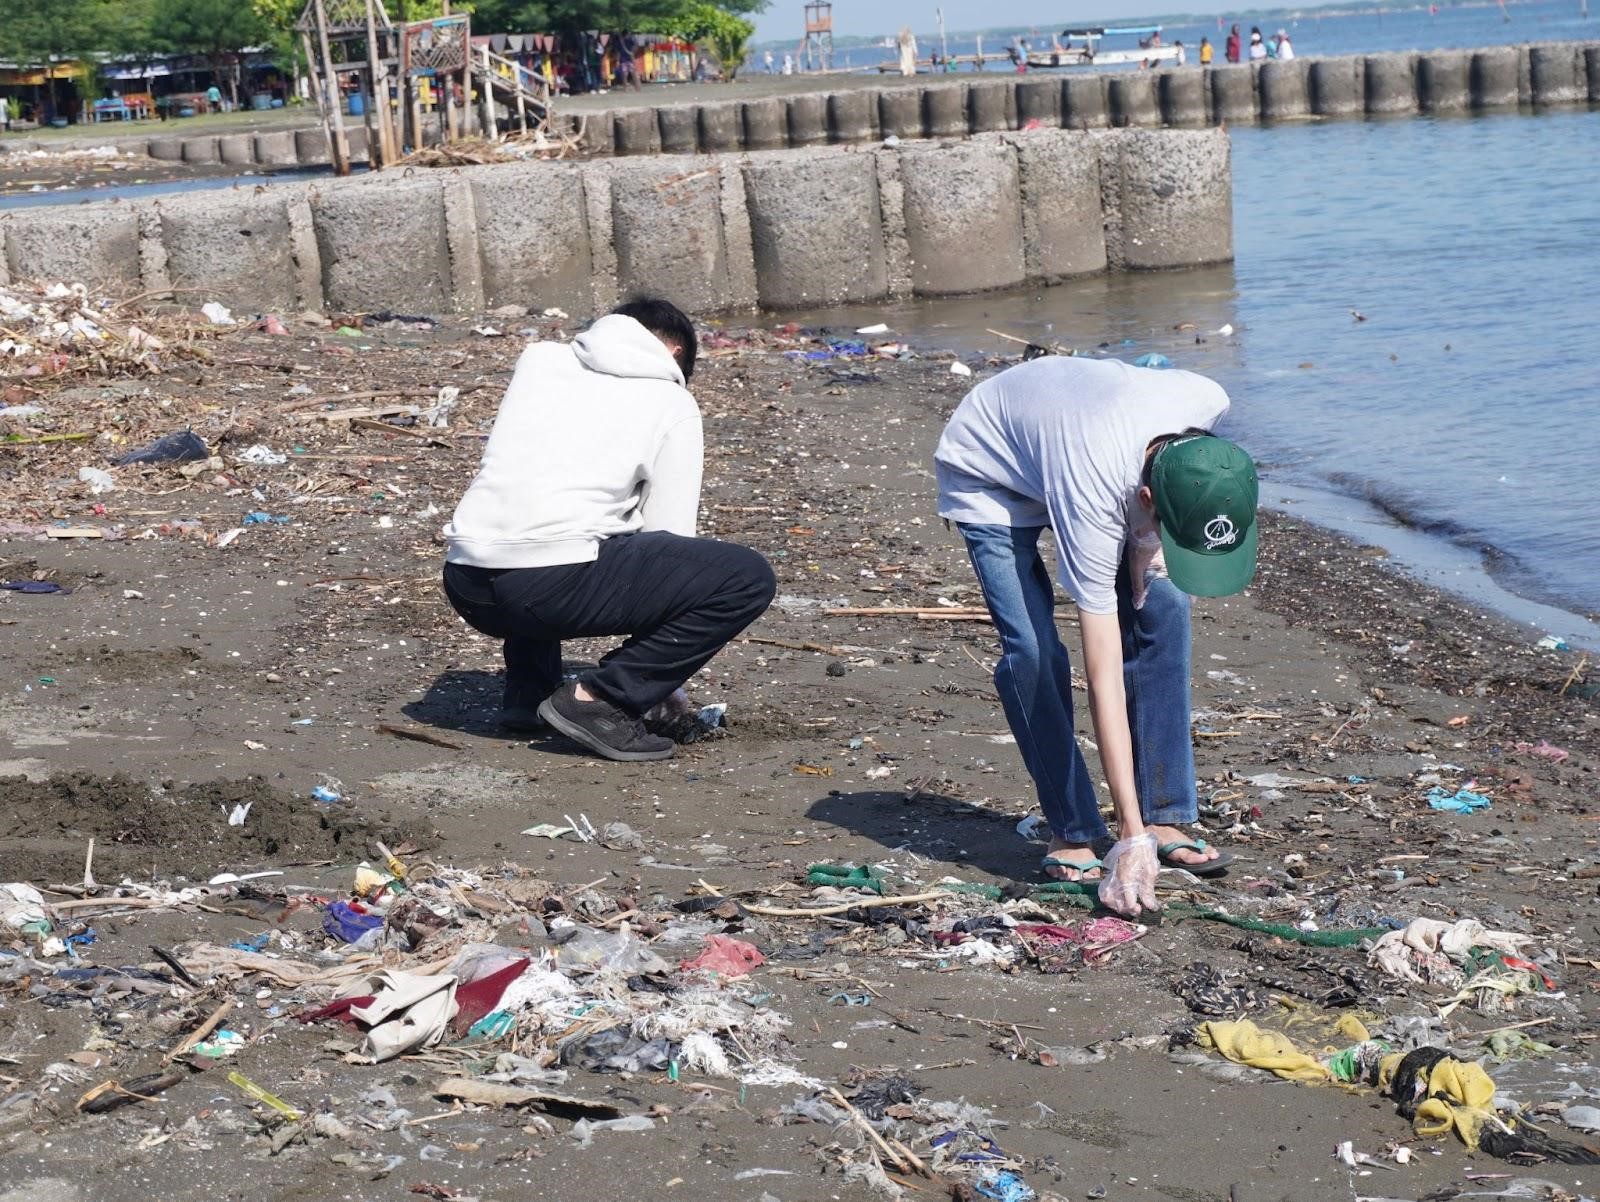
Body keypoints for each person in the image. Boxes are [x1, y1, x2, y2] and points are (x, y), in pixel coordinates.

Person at [933, 355, 1258, 916]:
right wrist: (1127, 837)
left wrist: (1147, 545)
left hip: (1080, 443)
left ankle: (1165, 814)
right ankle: (1073, 826)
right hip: (992, 467)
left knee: (1165, 609)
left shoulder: (1208, 401)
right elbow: (1101, 674)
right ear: (1147, 499)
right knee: (1034, 652)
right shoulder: (1093, 495)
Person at [442, 298, 776, 763]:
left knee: (552, 522)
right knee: (747, 578)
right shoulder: (672, 401)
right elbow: (670, 534)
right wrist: (657, 682)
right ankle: (600, 700)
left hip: (466, 581)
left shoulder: (539, 362)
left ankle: (528, 693)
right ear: (676, 352)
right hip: (543, 591)